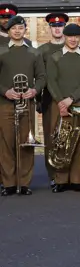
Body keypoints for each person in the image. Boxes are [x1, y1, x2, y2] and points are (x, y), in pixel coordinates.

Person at [46, 23, 80, 193]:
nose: (73, 40)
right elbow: (51, 81)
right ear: (64, 37)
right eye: (70, 36)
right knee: (60, 140)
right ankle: (60, 180)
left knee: (78, 140)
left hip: (78, 103)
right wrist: (61, 101)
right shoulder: (55, 57)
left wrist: (71, 99)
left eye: (76, 36)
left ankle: (76, 180)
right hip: (58, 103)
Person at [0, 16, 45, 196]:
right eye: (13, 28)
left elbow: (42, 76)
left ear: (25, 30)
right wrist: (5, 91)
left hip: (27, 103)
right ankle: (8, 183)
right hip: (5, 103)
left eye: (20, 28)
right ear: (8, 31)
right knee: (6, 144)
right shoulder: (1, 52)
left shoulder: (34, 53)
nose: (17, 31)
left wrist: (35, 90)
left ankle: (24, 183)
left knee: (26, 143)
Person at [38, 12, 69, 189]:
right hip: (50, 98)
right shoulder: (42, 50)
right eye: (54, 26)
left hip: (70, 97)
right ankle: (53, 174)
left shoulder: (72, 47)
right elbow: (40, 76)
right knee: (52, 137)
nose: (57, 28)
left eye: (60, 26)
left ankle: (67, 174)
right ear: (50, 28)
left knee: (68, 136)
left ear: (64, 27)